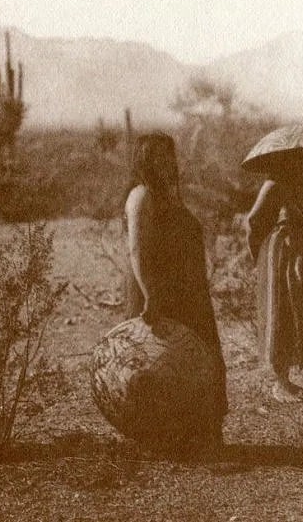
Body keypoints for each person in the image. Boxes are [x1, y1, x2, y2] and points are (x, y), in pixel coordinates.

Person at [123, 132, 228, 445]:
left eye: (169, 156)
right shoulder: (141, 195)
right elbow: (136, 250)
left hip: (186, 294)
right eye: (159, 157)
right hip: (159, 293)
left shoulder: (167, 195)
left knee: (196, 360)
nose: (167, 163)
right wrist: (150, 295)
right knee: (161, 362)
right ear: (145, 160)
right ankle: (166, 439)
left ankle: (195, 436)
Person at [244, 163, 303, 402]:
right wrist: (258, 255)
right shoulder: (274, 184)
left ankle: (286, 378)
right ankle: (279, 383)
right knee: (282, 311)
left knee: (295, 312)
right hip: (281, 255)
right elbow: (253, 221)